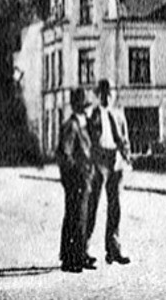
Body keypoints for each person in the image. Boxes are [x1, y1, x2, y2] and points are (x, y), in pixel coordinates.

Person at [86, 79, 132, 266]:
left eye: (109, 93)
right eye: (103, 94)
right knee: (92, 206)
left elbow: (125, 140)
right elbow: (87, 141)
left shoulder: (120, 115)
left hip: (116, 162)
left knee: (115, 207)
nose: (107, 97)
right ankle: (83, 250)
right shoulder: (92, 116)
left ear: (114, 95)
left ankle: (113, 249)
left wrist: (127, 158)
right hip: (99, 162)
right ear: (98, 95)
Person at [58, 87, 95, 273]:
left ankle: (78, 255)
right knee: (74, 218)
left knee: (81, 217)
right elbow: (65, 154)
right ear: (81, 107)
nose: (89, 109)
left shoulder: (83, 124)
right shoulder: (72, 126)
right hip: (76, 180)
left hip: (84, 179)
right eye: (87, 106)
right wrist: (76, 175)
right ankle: (70, 259)